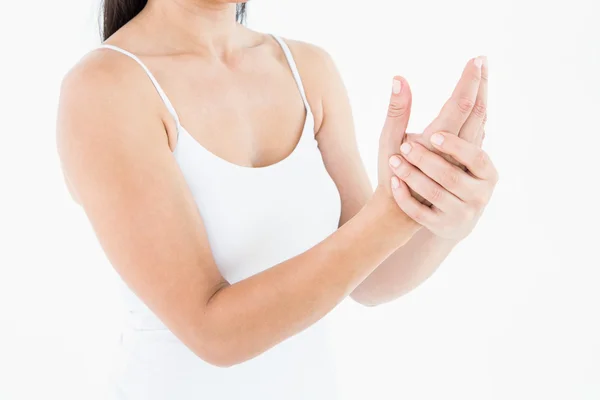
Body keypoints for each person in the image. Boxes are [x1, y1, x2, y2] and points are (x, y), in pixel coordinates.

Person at [56, 1, 498, 398]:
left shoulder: (307, 68)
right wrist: (392, 216)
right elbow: (213, 331)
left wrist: (442, 211)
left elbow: (371, 277)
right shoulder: (104, 88)